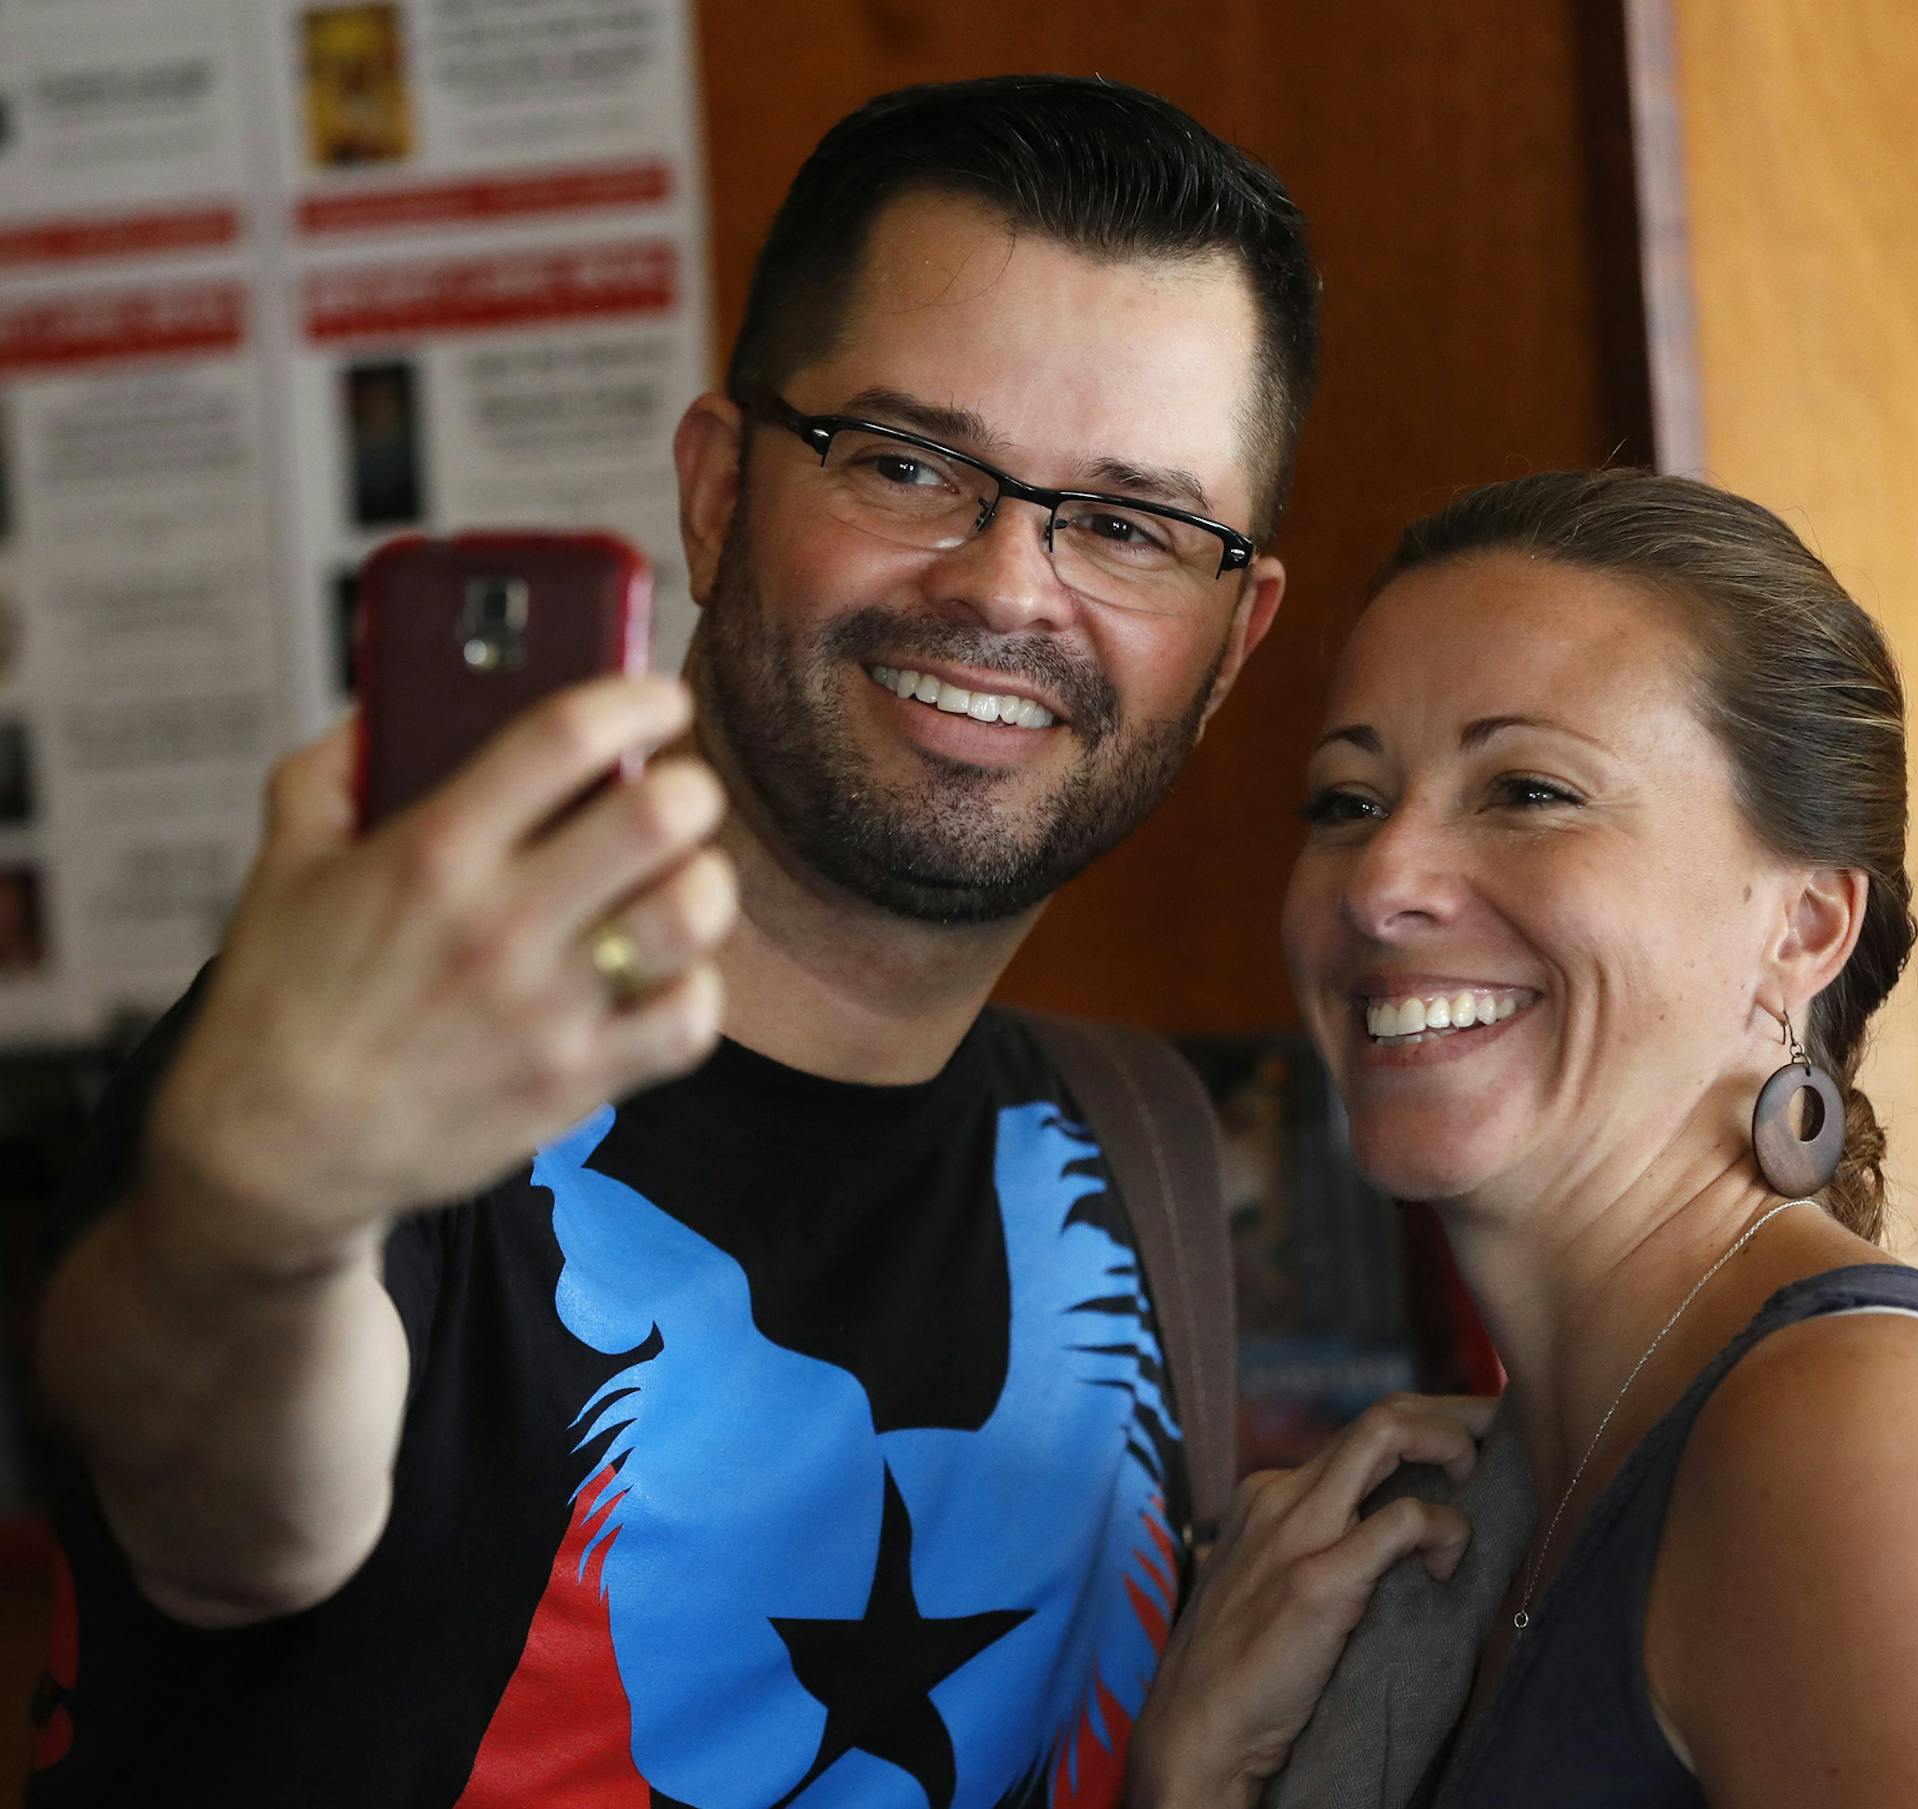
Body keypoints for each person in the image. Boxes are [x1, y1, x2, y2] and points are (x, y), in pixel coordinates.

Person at [26, 77, 1473, 1808]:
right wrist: (263, 1210)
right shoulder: (371, 1069)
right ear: (717, 497)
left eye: (1130, 525)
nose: (1010, 588)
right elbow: (217, 1514)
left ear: (1232, 640)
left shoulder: (1137, 1155)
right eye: (908, 462)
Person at [1126, 470, 1918, 1806]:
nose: (1383, 883)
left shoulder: (1857, 1440)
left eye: (1532, 791)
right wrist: (1194, 1776)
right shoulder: (1494, 1507)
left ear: (1802, 930)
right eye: (1346, 801)